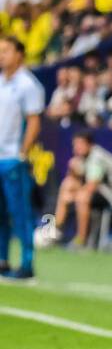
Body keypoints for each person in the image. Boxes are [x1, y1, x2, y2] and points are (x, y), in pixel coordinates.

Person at [0, 34, 45, 280]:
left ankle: (27, 263)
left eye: (5, 50)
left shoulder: (28, 85)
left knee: (20, 212)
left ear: (19, 54)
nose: (1, 55)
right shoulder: (1, 82)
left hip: (12, 159)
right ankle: (3, 259)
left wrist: (22, 153)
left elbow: (34, 121)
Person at [55, 131, 112, 247]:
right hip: (103, 193)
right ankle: (55, 233)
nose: (77, 148)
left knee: (81, 197)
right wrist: (72, 171)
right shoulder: (82, 158)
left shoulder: (97, 157)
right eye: (75, 145)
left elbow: (92, 186)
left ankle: (81, 241)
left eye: (80, 144)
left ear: (89, 144)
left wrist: (73, 196)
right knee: (67, 185)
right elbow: (77, 182)